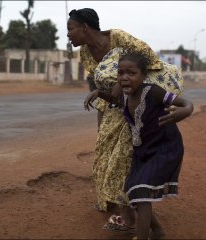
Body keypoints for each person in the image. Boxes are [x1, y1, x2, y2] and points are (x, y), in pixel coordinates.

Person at [67, 8, 184, 230]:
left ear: (84, 28)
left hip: (135, 100)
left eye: (70, 29)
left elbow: (149, 58)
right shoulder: (84, 53)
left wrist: (123, 82)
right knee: (103, 153)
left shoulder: (117, 37)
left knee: (123, 159)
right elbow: (98, 85)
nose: (68, 35)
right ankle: (119, 205)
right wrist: (101, 125)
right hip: (113, 102)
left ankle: (130, 217)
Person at [84, 51, 194, 239]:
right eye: (121, 73)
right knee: (132, 192)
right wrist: (98, 92)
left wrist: (185, 111)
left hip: (164, 147)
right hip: (142, 149)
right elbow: (113, 99)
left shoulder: (152, 91)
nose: (125, 77)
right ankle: (157, 231)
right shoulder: (124, 92)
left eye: (131, 73)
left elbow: (185, 103)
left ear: (143, 75)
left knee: (141, 192)